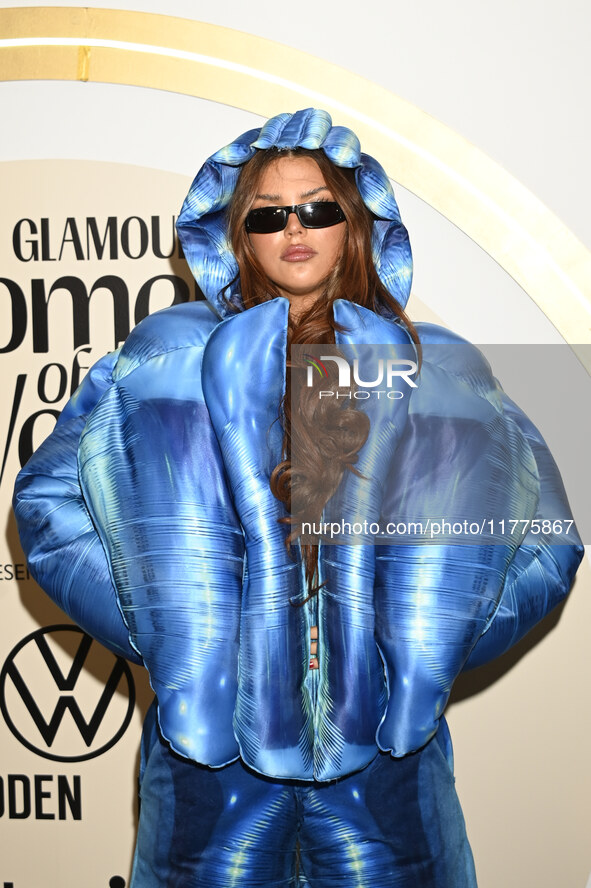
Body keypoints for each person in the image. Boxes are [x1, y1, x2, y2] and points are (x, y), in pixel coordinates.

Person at [13, 108, 582, 887]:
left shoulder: (435, 368)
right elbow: (47, 501)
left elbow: (547, 534)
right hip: (208, 763)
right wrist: (165, 632)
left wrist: (437, 642)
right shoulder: (160, 359)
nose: (295, 229)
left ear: (353, 223)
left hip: (386, 760)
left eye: (317, 208)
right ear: (234, 233)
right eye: (268, 214)